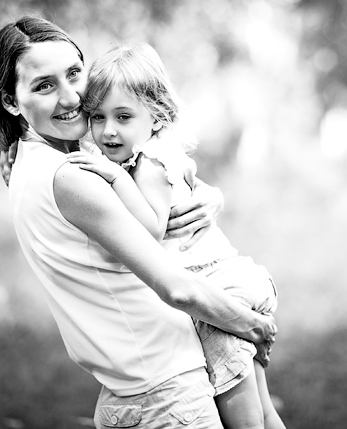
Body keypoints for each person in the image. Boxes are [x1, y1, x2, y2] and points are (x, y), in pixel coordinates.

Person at [0, 16, 277, 429]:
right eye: (44, 85)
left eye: (74, 74)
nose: (70, 97)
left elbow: (159, 173)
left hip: (148, 384)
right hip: (164, 388)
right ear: (11, 101)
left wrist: (209, 196)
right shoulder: (71, 176)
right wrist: (253, 326)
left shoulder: (51, 159)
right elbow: (175, 286)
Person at [66, 43, 285, 429]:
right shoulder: (146, 154)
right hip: (225, 283)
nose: (108, 129)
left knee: (245, 419)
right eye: (97, 117)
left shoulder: (149, 165)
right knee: (265, 411)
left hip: (216, 292)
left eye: (123, 116)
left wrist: (115, 178)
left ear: (156, 116)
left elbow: (151, 229)